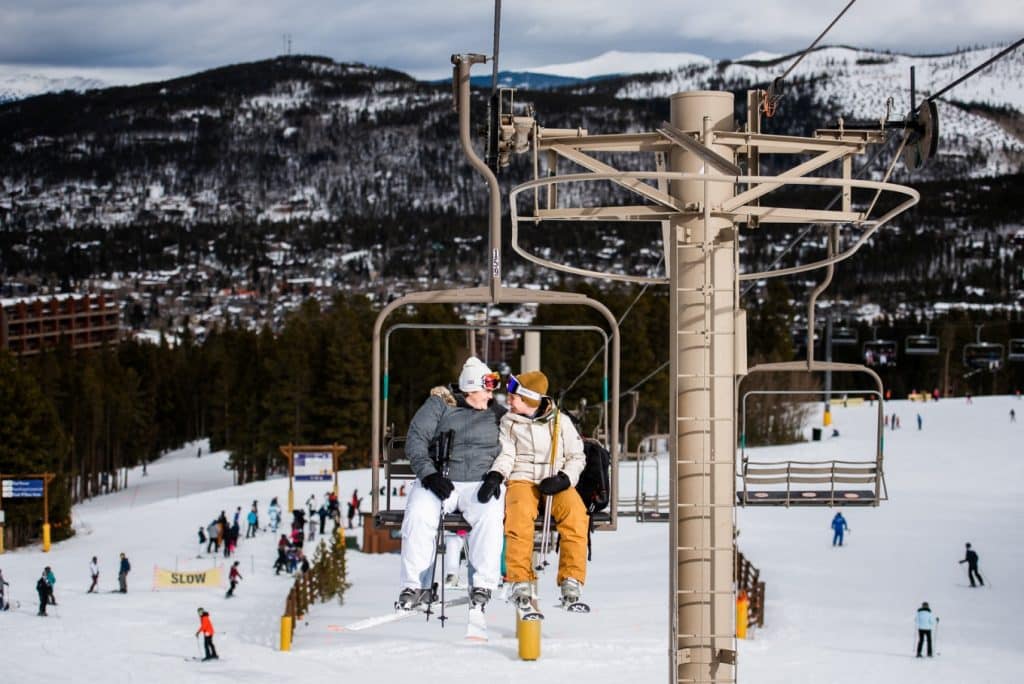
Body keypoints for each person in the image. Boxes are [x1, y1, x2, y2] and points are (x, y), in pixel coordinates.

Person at [396, 356, 506, 612]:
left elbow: (512, 447)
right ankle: (414, 585)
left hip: (480, 483)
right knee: (418, 515)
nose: (491, 394)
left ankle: (483, 583)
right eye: (487, 387)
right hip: (441, 480)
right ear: (471, 386)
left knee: (490, 515)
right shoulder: (440, 406)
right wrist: (429, 475)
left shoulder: (498, 415)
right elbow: (416, 439)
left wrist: (496, 475)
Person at [487, 370, 589, 610]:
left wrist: (564, 478)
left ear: (529, 400)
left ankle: (571, 578)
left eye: (514, 398)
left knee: (575, 515)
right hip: (522, 478)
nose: (509, 401)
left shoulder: (560, 422)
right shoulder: (509, 422)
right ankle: (520, 578)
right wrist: (497, 474)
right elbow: (507, 454)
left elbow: (576, 456)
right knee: (519, 516)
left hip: (554, 477)